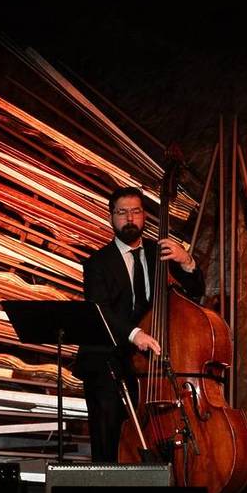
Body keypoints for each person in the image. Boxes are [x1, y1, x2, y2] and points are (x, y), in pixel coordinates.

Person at [72, 186, 204, 463]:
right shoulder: (97, 263)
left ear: (144, 215)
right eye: (122, 212)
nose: (129, 218)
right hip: (108, 360)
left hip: (150, 363)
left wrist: (187, 261)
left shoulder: (161, 253)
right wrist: (135, 334)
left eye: (136, 211)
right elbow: (100, 310)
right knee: (109, 439)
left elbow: (196, 291)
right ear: (111, 217)